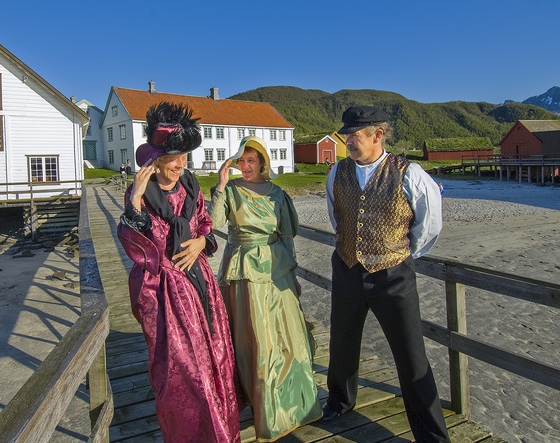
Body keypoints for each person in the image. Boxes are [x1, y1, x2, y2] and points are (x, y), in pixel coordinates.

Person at [323, 105, 450, 442]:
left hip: (392, 275)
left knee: (411, 356)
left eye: (355, 134)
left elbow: (428, 226)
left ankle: (431, 435)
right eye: (346, 134)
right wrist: (353, 247)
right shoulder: (337, 172)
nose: (348, 140)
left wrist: (397, 253)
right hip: (348, 269)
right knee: (342, 341)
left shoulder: (411, 173)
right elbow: (338, 218)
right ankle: (339, 400)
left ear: (377, 135)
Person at [116, 102, 240, 442]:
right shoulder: (139, 194)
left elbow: (204, 226)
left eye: (184, 158)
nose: (181, 165)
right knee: (185, 371)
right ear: (155, 160)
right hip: (169, 294)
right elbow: (138, 249)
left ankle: (223, 428)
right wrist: (135, 203)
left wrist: (201, 243)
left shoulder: (191, 186)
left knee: (214, 357)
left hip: (201, 288)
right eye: (174, 160)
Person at [209, 136, 322, 442]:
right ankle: (259, 406)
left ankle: (293, 404)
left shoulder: (279, 195)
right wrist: (221, 183)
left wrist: (293, 274)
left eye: (251, 161)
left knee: (288, 338)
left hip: (276, 269)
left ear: (262, 162)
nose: (245, 167)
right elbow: (214, 223)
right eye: (241, 161)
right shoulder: (231, 190)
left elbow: (286, 237)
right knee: (255, 341)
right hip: (242, 271)